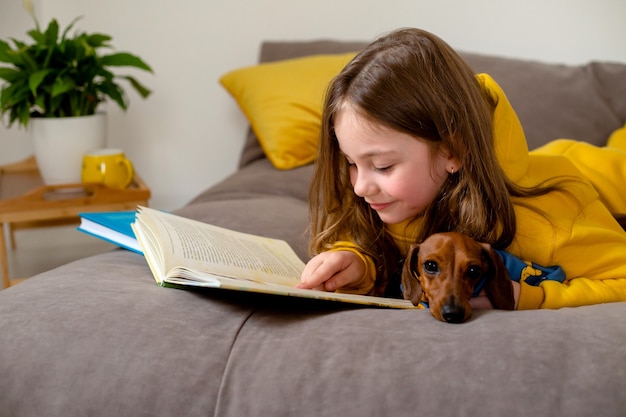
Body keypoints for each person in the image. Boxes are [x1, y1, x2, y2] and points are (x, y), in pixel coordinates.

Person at [297, 27, 626, 310]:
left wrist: (529, 296)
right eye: (352, 163)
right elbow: (375, 247)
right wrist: (357, 262)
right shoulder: (385, 200)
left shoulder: (552, 220)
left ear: (452, 151)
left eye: (383, 166)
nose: (360, 186)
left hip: (599, 170)